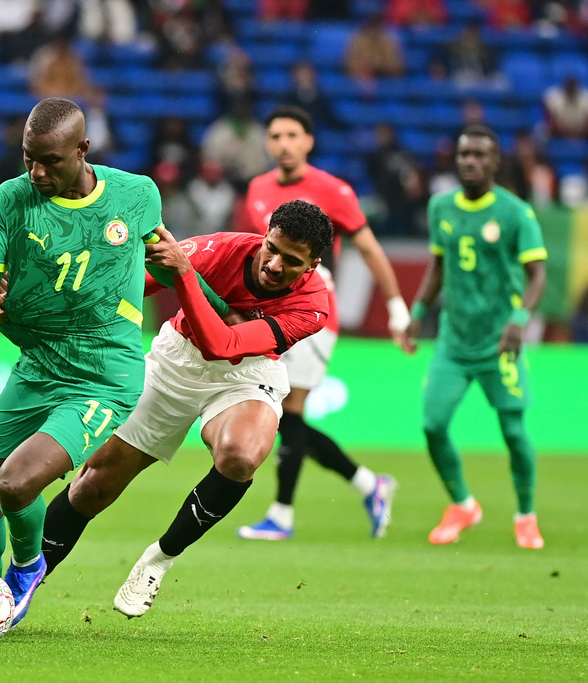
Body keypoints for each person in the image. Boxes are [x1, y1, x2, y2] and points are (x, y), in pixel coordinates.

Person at [0, 97, 229, 630]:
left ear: (82, 150)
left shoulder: (136, 195)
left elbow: (169, 265)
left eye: (50, 160)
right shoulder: (13, 197)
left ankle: (26, 570)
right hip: (37, 364)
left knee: (15, 485)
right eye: (28, 158)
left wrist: (221, 312)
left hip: (104, 375)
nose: (37, 172)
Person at [40, 200, 334, 617]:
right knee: (92, 486)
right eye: (271, 248)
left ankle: (159, 558)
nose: (274, 264)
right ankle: (21, 582)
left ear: (312, 265)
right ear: (265, 235)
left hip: (245, 373)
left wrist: (184, 275)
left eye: (291, 261)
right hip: (176, 359)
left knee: (241, 456)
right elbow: (133, 282)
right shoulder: (218, 249)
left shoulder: (313, 305)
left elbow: (225, 346)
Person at [234, 105, 409, 541]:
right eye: (276, 136)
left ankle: (282, 514)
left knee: (289, 411)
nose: (284, 144)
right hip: (272, 312)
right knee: (284, 416)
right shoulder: (257, 189)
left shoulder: (333, 190)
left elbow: (369, 248)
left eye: (292, 135)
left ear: (309, 141)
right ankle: (369, 484)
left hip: (312, 312)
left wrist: (396, 307)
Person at [402, 124, 548, 549]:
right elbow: (438, 265)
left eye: (480, 155)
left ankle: (526, 515)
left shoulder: (515, 212)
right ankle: (463, 505)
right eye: (464, 154)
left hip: (499, 341)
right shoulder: (441, 206)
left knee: (514, 432)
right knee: (433, 425)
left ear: (495, 162)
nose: (470, 161)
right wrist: (417, 313)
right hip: (454, 340)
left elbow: (538, 274)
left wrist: (519, 320)